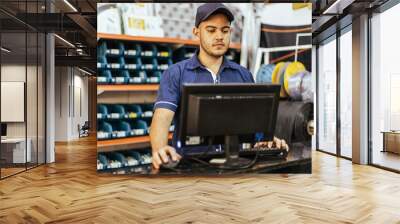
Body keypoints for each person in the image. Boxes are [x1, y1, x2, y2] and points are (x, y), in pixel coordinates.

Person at [150, 3, 287, 169]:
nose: (219, 36)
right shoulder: (175, 73)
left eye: (224, 30)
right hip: (190, 167)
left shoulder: (243, 75)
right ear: (196, 33)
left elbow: (254, 125)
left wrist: (266, 142)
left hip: (236, 164)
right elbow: (161, 120)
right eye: (211, 30)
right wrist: (160, 149)